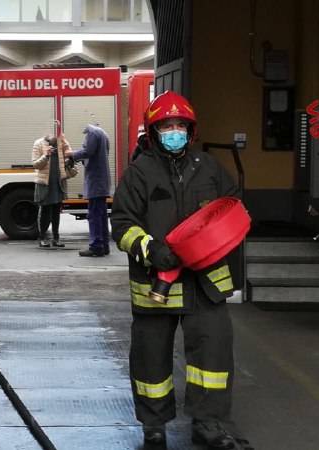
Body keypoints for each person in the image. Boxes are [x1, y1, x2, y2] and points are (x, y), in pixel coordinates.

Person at [111, 91, 252, 450]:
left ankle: (208, 424)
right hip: (156, 283)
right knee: (150, 356)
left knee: (213, 355)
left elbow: (231, 206)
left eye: (180, 126)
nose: (173, 131)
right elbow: (123, 223)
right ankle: (154, 426)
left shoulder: (209, 168)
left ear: (191, 131)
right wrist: (150, 249)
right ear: (154, 131)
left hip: (206, 283)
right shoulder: (140, 173)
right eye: (166, 126)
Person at [70, 124, 111, 257]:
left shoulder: (92, 133)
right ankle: (104, 245)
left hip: (96, 181)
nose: (84, 142)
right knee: (101, 215)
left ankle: (96, 246)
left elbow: (88, 152)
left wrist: (71, 155)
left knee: (94, 216)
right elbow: (94, 154)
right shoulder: (103, 134)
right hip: (102, 181)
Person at [31, 130, 76, 248]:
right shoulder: (39, 144)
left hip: (58, 182)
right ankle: (42, 237)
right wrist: (46, 155)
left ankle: (56, 238)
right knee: (45, 210)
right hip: (45, 183)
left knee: (56, 211)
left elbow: (70, 158)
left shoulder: (62, 143)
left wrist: (69, 160)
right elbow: (35, 164)